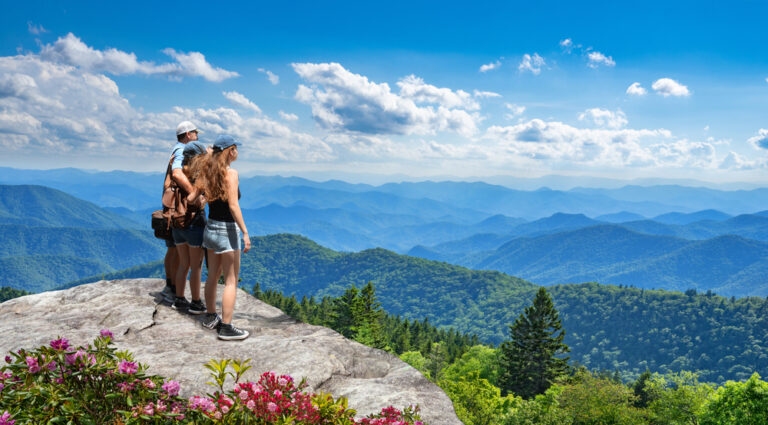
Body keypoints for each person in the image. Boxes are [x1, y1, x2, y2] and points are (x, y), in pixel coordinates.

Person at [198, 134, 251, 340]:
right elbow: (233, 205)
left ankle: (211, 316)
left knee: (212, 276)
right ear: (230, 151)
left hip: (210, 228)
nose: (237, 152)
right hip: (227, 230)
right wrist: (245, 232)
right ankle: (226, 327)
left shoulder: (209, 171)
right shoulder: (231, 173)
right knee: (231, 281)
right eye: (236, 148)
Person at [161, 120, 201, 305]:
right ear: (187, 135)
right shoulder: (181, 151)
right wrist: (194, 192)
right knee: (183, 253)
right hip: (182, 210)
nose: (197, 136)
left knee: (174, 248)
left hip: (171, 206)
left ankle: (171, 287)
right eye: (194, 133)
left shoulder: (174, 149)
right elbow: (177, 173)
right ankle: (176, 292)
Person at [170, 141, 209, 314]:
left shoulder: (177, 173)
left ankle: (179, 299)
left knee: (183, 264)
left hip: (177, 222)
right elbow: (199, 202)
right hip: (195, 223)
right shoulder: (197, 175)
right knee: (196, 266)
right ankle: (196, 302)